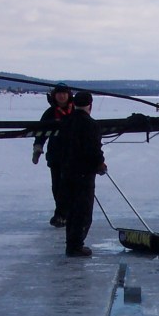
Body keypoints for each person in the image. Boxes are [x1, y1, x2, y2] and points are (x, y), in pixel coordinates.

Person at [60, 91, 106, 257]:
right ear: (90, 105)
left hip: (66, 172)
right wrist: (100, 164)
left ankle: (71, 244)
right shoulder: (91, 124)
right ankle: (75, 246)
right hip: (84, 174)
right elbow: (93, 149)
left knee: (72, 210)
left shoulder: (66, 122)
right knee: (83, 211)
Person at [32, 83, 74, 228]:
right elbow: (40, 132)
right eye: (59, 93)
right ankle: (62, 214)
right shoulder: (50, 113)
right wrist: (37, 148)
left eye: (64, 93)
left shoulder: (76, 111)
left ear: (69, 95)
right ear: (54, 96)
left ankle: (64, 214)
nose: (62, 96)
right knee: (57, 186)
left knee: (70, 186)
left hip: (74, 156)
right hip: (56, 155)